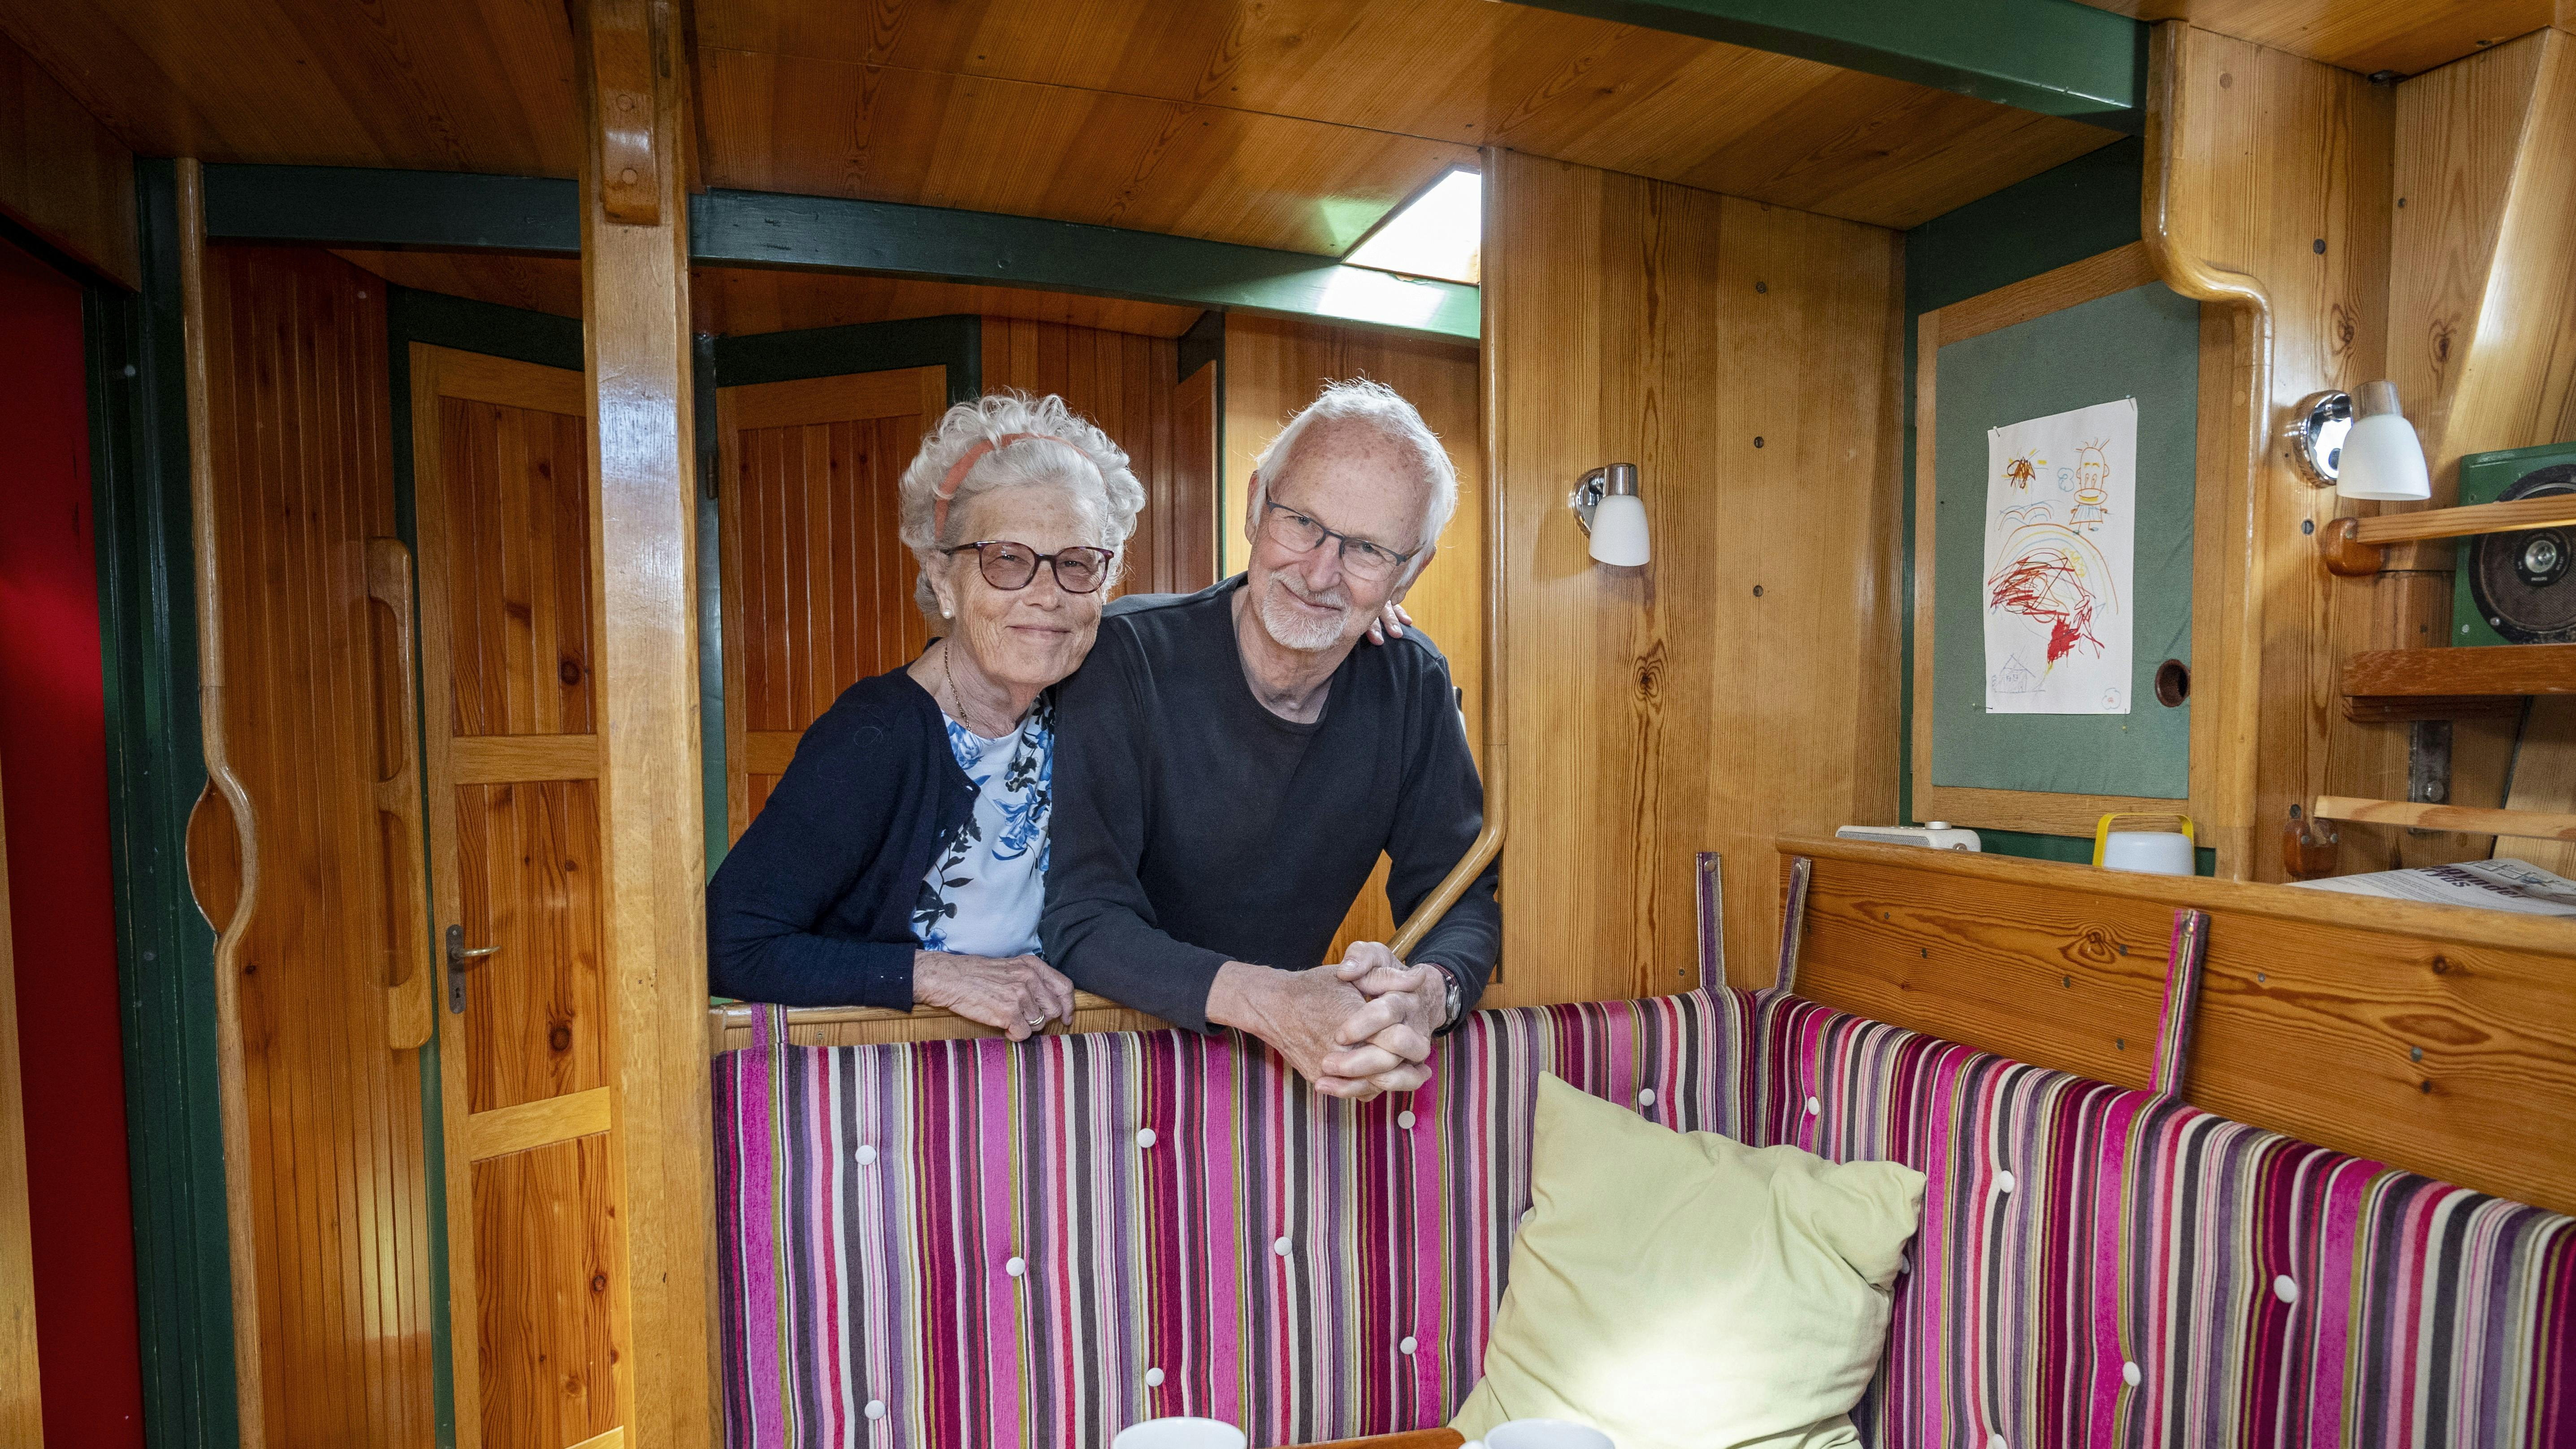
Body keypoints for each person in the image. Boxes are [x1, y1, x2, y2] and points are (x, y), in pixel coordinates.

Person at [1042, 378, 1499, 1098]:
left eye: (1367, 550)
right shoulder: (1124, 656)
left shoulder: (1411, 683)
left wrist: (1428, 994)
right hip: (1102, 1062)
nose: (1320, 572)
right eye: (1303, 522)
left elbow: (1464, 897)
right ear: (1256, 506)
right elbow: (1081, 916)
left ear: (1409, 572)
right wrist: (1278, 1002)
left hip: (1278, 1079)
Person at [706, 392, 1143, 1039]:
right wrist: (936, 974)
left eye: (1076, 563)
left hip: (1057, 1091)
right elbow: (729, 942)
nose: (1047, 595)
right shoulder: (874, 737)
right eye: (1007, 559)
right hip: (892, 1102)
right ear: (944, 579)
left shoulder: (1094, 709)